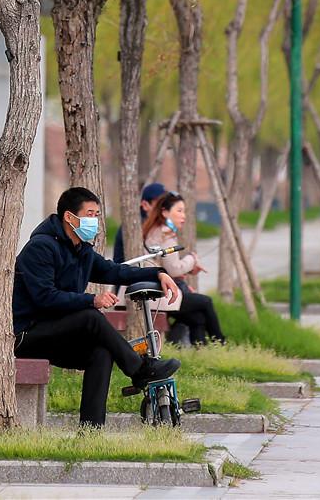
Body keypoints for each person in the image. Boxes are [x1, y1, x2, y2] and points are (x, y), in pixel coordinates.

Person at [12, 187, 181, 428]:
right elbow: (45, 298)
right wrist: (92, 300)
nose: (94, 220)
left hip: (55, 332)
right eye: (89, 214)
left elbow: (115, 271)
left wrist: (158, 273)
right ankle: (139, 369)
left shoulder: (81, 249)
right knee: (90, 316)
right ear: (69, 217)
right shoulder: (40, 248)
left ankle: (91, 429)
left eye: (97, 214)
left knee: (101, 352)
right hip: (28, 334)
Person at [143, 192, 226, 346]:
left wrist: (187, 268)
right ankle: (221, 343)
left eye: (184, 211)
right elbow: (174, 269)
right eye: (179, 211)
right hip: (159, 294)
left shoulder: (158, 230)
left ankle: (202, 350)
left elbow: (168, 267)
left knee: (198, 318)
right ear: (165, 212)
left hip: (159, 290)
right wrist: (192, 259)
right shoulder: (164, 233)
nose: (184, 216)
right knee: (206, 302)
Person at [113, 181, 166, 265]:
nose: (164, 207)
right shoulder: (137, 225)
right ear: (145, 205)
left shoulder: (156, 224)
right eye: (159, 203)